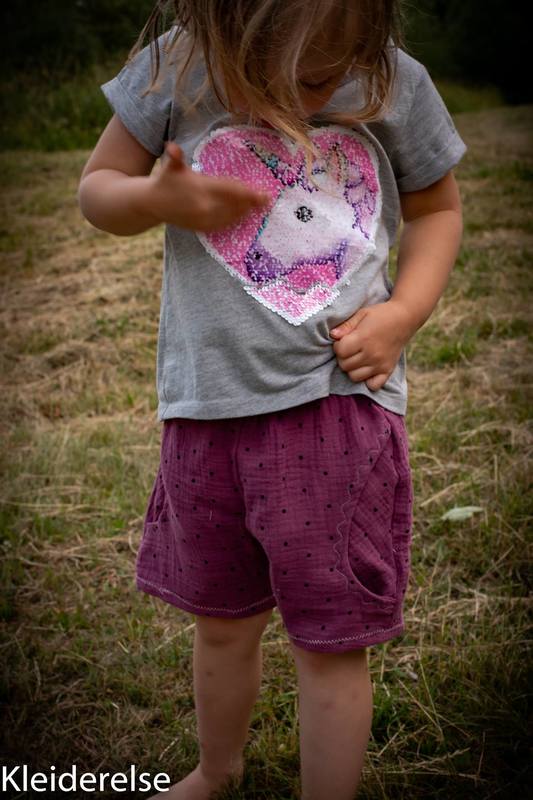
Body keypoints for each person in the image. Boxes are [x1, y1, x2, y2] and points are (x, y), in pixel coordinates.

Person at [78, 2, 465, 798]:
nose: (297, 100)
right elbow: (97, 190)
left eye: (321, 79)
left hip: (334, 405)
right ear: (223, 29)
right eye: (268, 78)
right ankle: (216, 771)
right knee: (221, 623)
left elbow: (437, 207)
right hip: (205, 410)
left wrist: (402, 313)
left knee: (330, 639)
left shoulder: (392, 79)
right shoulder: (177, 65)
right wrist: (152, 200)